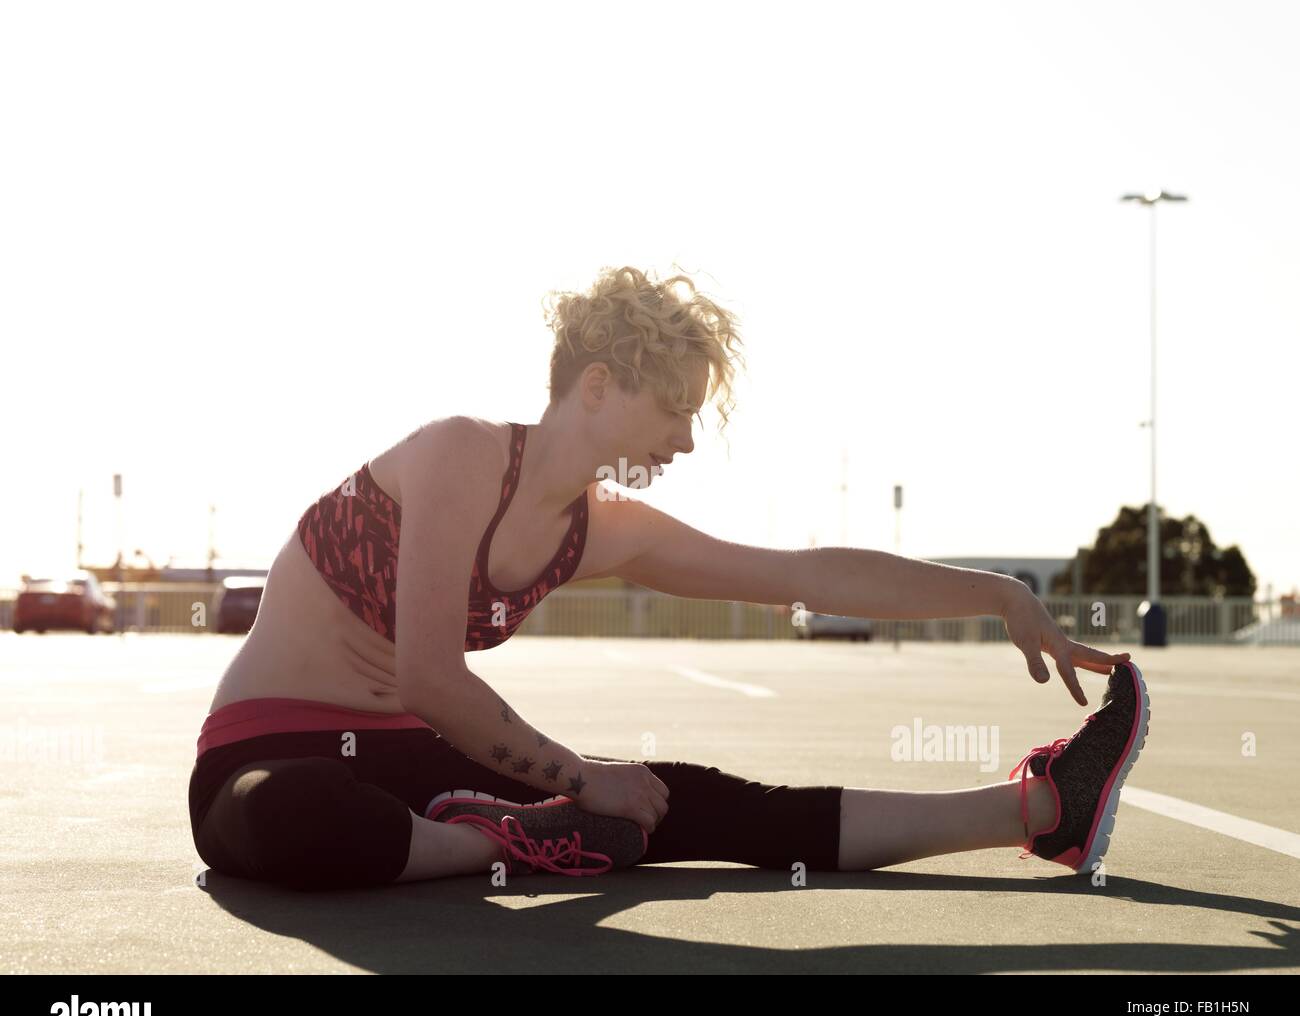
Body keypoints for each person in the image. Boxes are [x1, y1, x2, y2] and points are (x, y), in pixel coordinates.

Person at [189, 264, 1147, 892]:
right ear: (598, 385)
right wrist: (576, 779)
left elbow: (801, 572)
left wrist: (995, 593)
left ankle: (1041, 807)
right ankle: (507, 836)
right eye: (676, 407)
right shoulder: (456, 454)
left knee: (677, 793)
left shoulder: (607, 529)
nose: (688, 437)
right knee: (290, 816)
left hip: (420, 768)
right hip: (270, 751)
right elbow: (429, 680)